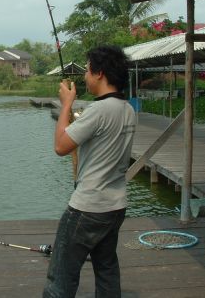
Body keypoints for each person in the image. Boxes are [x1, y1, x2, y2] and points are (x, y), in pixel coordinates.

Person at [43, 45, 136, 298]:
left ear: (99, 74)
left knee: (61, 274)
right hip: (115, 207)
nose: (84, 75)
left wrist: (66, 104)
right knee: (106, 270)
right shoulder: (128, 110)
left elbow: (61, 146)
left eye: (87, 70)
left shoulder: (98, 111)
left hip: (87, 209)